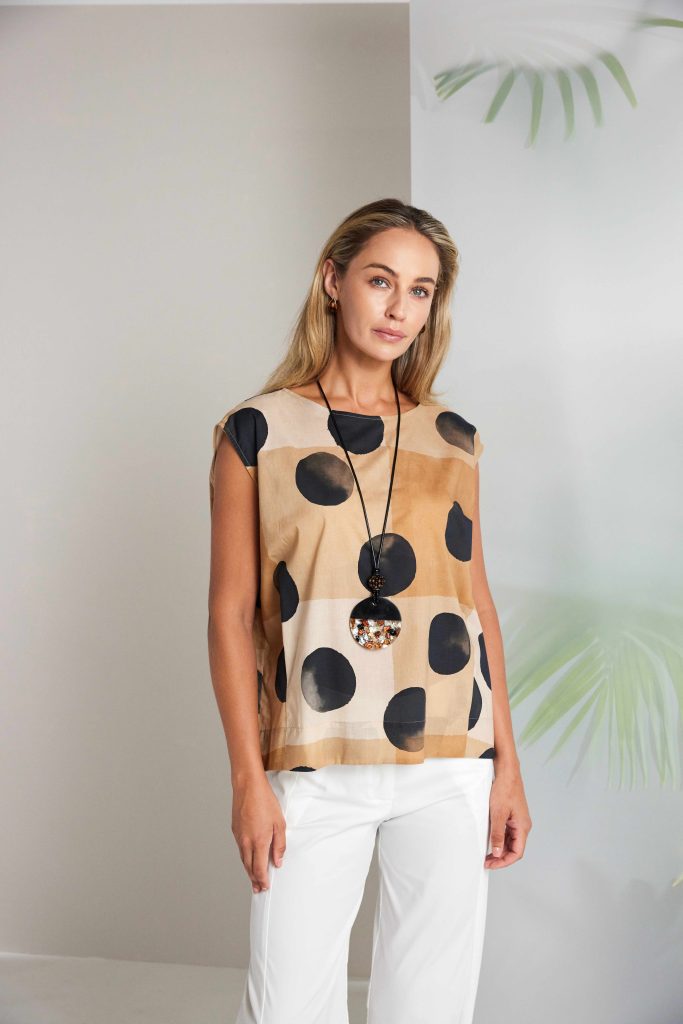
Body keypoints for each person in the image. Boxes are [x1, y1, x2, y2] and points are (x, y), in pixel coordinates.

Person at [208, 197, 532, 1024]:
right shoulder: (256, 431)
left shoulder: (452, 438)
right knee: (285, 1006)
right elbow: (230, 615)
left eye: (420, 291)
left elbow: (475, 604)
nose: (399, 309)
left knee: (430, 1007)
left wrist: (507, 768)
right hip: (313, 757)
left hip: (449, 760)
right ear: (332, 280)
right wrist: (247, 780)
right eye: (380, 281)